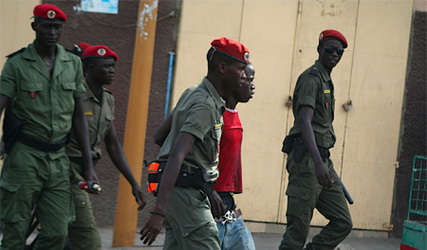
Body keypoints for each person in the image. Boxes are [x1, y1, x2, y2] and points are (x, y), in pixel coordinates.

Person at [139, 37, 250, 249]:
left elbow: (160, 137)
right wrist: (158, 211)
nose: (244, 76)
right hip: (186, 197)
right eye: (240, 69)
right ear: (222, 67)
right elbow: (177, 155)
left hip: (185, 191)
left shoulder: (193, 93)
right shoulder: (205, 105)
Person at [0, 4, 95, 249]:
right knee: (14, 232)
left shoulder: (72, 64)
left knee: (57, 232)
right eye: (46, 26)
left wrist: (89, 164)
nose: (52, 32)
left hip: (57, 160)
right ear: (35, 27)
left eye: (57, 27)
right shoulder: (17, 64)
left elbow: (79, 117)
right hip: (24, 157)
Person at [65, 44, 146, 249]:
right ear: (90, 68)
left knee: (61, 236)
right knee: (89, 240)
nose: (112, 71)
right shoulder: (76, 95)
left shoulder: (108, 100)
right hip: (67, 170)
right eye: (106, 67)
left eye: (113, 67)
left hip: (86, 172)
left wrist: (133, 183)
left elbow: (113, 144)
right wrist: (89, 169)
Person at [279, 29, 353, 250]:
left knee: (343, 221)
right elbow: (304, 122)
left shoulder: (326, 79)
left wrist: (323, 163)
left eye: (339, 51)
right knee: (297, 233)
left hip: (322, 161)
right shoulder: (311, 78)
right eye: (329, 49)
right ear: (319, 49)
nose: (334, 54)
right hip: (308, 163)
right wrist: (319, 164)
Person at [213, 62, 256, 250]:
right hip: (211, 200)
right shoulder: (215, 114)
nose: (252, 85)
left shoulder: (233, 113)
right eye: (248, 79)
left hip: (228, 203)